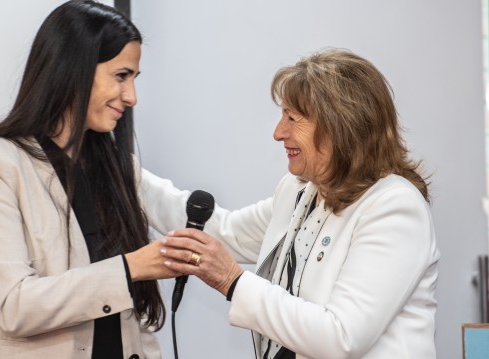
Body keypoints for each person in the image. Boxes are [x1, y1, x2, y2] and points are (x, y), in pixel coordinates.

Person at [140, 48, 439, 358]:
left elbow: (341, 337)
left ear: (341, 126)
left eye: (292, 118)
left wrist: (233, 281)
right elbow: (225, 231)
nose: (278, 133)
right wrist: (127, 174)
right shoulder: (301, 191)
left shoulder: (395, 208)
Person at [0, 1, 176, 358]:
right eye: (121, 75)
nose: (131, 97)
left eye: (134, 79)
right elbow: (14, 305)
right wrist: (132, 268)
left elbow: (134, 325)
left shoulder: (118, 169)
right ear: (74, 69)